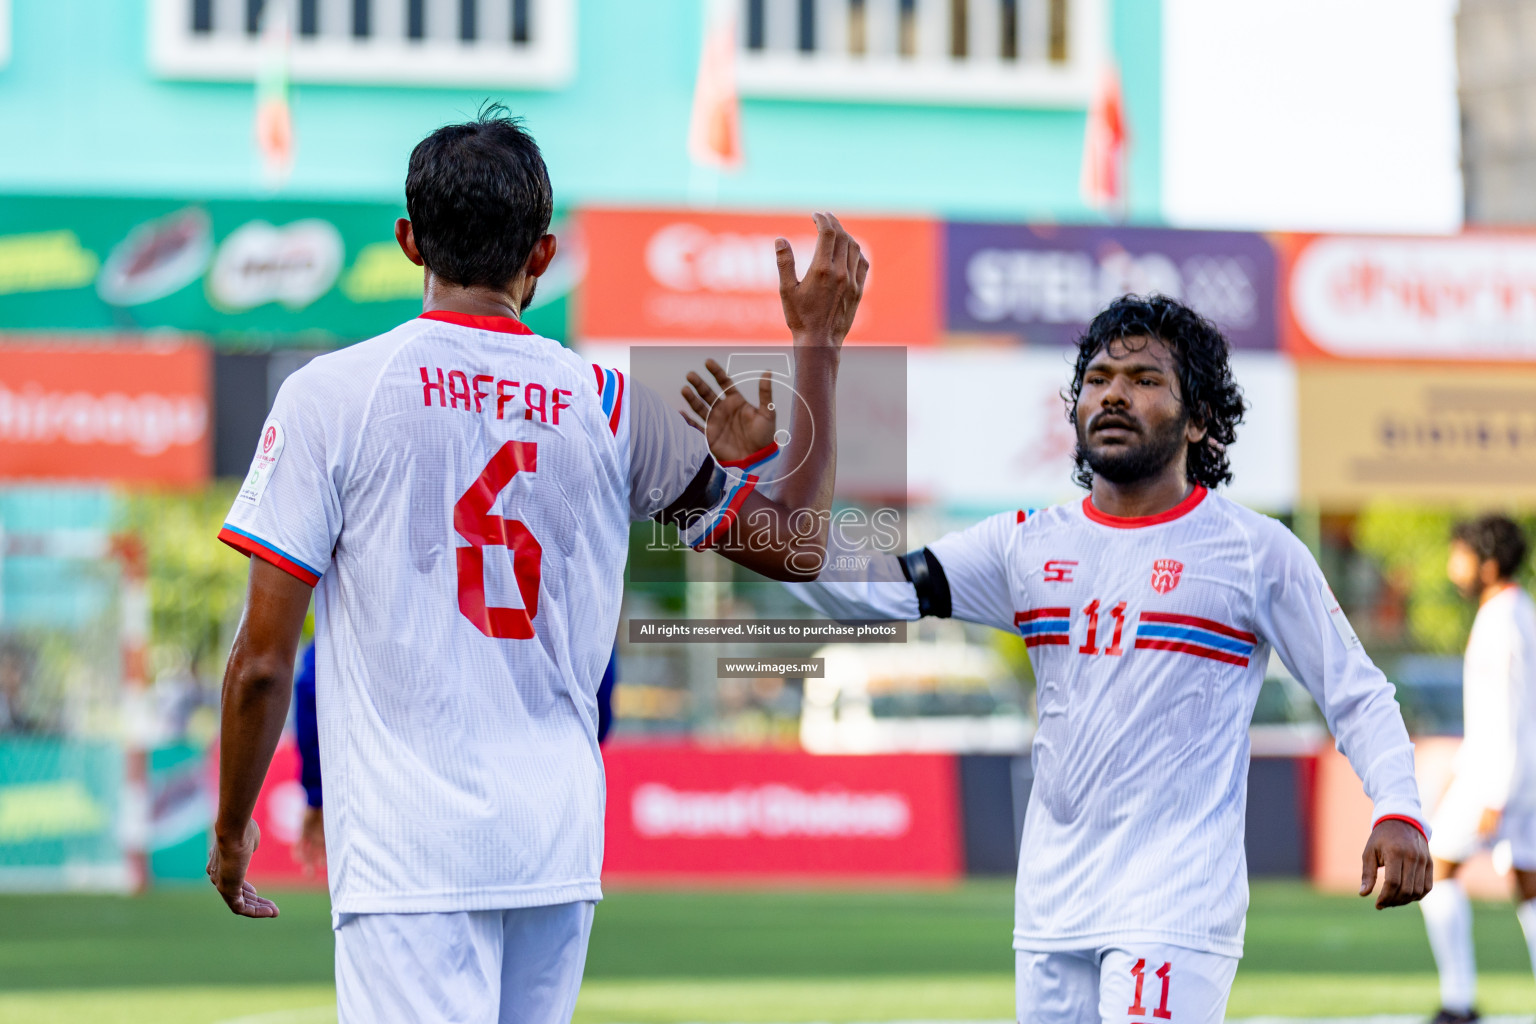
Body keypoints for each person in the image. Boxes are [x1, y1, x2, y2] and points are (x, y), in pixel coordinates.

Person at [207, 106, 868, 1024]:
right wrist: (819, 349)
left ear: (409, 242)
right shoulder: (611, 405)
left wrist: (234, 827)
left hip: (410, 853)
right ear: (544, 255)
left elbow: (264, 661)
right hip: (554, 848)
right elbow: (797, 547)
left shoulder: (333, 395)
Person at [686, 293, 1432, 1024]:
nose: (1113, 395)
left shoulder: (1255, 550)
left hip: (1173, 907)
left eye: (1145, 381)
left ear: (1199, 419)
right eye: (1099, 379)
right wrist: (751, 475)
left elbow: (1356, 693)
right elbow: (865, 593)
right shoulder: (1025, 544)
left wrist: (1399, 808)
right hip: (1052, 909)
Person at [292, 643, 620, 875]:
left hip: (420, 822)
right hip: (553, 826)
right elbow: (598, 684)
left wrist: (320, 793)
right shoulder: (572, 557)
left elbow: (314, 682)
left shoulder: (390, 557)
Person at [1419, 515, 1536, 1024]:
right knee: (1529, 885)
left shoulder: (1504, 620)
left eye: (1461, 556)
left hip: (1502, 779)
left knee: (1436, 869)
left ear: (1488, 563)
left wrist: (1494, 792)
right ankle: (1459, 1000)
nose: (1453, 568)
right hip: (1509, 775)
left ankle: (1459, 1001)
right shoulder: (1515, 612)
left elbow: (1510, 715)